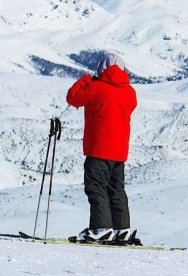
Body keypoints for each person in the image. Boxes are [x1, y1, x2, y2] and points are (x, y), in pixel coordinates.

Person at [66, 53, 137, 242]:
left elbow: (72, 98)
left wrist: (87, 79)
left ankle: (101, 228)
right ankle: (122, 229)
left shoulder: (95, 88)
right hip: (120, 151)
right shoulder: (130, 92)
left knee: (96, 187)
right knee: (116, 189)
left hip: (98, 148)